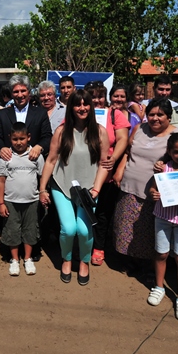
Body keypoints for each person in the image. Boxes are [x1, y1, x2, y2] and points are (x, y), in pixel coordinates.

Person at [39, 90, 109, 285]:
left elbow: (104, 163)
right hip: (62, 186)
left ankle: (84, 261)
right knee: (69, 229)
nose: (82, 108)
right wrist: (43, 188)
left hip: (89, 189)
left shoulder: (100, 131)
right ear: (71, 108)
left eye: (85, 104)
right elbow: (51, 161)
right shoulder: (61, 132)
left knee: (84, 231)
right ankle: (67, 258)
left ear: (91, 107)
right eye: (77, 104)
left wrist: (96, 189)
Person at [113, 98, 178, 271]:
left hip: (154, 192)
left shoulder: (176, 136)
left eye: (160, 115)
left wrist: (166, 166)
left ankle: (148, 267)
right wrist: (120, 170)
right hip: (129, 186)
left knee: (149, 231)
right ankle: (131, 261)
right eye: (151, 114)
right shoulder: (139, 129)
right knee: (127, 228)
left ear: (169, 116)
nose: (155, 118)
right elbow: (128, 152)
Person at [146, 133, 178, 321]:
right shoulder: (163, 169)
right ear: (169, 152)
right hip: (162, 217)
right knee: (161, 254)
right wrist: (153, 194)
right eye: (176, 151)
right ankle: (159, 287)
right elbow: (153, 188)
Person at [84, 81, 130, 267]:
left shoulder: (114, 114)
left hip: (106, 171)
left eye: (100, 96)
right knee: (83, 211)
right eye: (92, 96)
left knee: (102, 212)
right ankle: (83, 244)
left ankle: (99, 247)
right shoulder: (80, 112)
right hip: (83, 171)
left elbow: (123, 139)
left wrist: (113, 158)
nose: (96, 100)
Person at [0, 122, 44, 276]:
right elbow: (1, 181)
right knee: (12, 230)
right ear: (10, 139)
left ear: (28, 137)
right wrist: (1, 202)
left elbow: (42, 176)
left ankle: (28, 258)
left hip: (31, 201)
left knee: (30, 230)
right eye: (15, 139)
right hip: (11, 201)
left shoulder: (35, 156)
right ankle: (15, 259)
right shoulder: (6, 157)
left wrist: (43, 193)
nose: (18, 142)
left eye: (22, 139)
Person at [0, 75, 52, 162]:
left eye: (23, 91)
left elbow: (47, 136)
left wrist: (39, 147)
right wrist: (1, 148)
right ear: (11, 94)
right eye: (16, 92)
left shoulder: (41, 113)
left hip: (33, 162)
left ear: (29, 92)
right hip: (9, 162)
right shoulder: (2, 114)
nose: (20, 95)